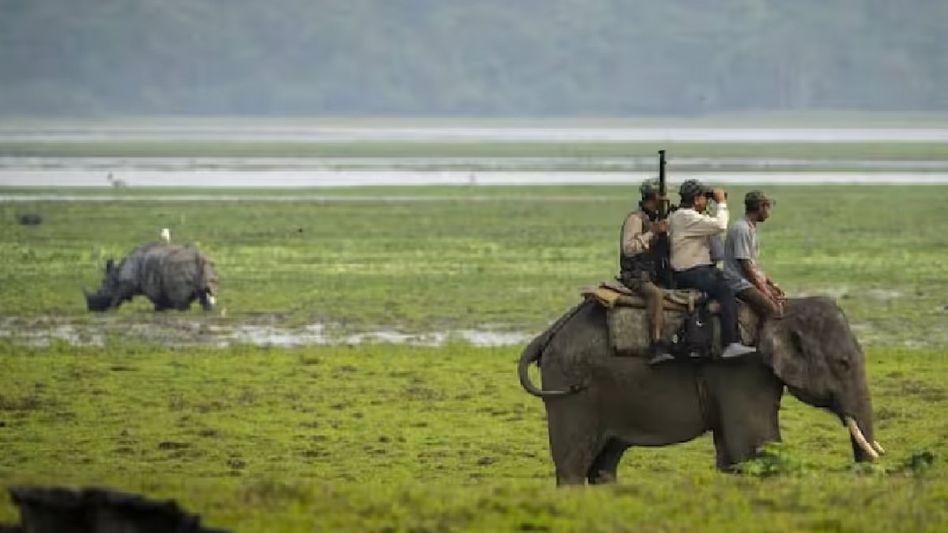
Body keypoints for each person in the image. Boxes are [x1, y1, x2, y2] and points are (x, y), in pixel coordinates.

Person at [668, 179, 756, 359]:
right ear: (696, 199)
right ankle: (730, 343)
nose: (707, 201)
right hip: (690, 272)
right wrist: (721, 203)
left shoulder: (689, 217)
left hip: (697, 270)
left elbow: (717, 249)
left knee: (725, 282)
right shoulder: (686, 217)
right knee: (725, 290)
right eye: (704, 198)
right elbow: (720, 225)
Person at [619, 178, 673, 364]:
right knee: (655, 295)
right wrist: (652, 233)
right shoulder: (636, 219)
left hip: (651, 273)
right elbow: (628, 249)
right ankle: (656, 343)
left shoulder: (654, 218)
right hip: (635, 274)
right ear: (655, 196)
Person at [724, 191, 785, 319]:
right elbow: (746, 266)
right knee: (773, 311)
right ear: (761, 207)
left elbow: (754, 265)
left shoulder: (749, 228)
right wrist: (764, 290)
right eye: (768, 207)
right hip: (739, 283)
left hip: (748, 281)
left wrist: (771, 284)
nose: (769, 212)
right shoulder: (742, 229)